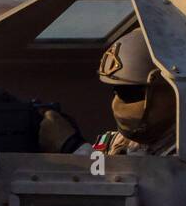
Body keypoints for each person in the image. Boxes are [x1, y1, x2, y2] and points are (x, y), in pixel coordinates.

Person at [37, 25, 178, 157]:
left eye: (130, 93)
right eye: (117, 91)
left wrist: (72, 147)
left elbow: (113, 182)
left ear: (173, 92)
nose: (118, 102)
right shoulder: (117, 142)